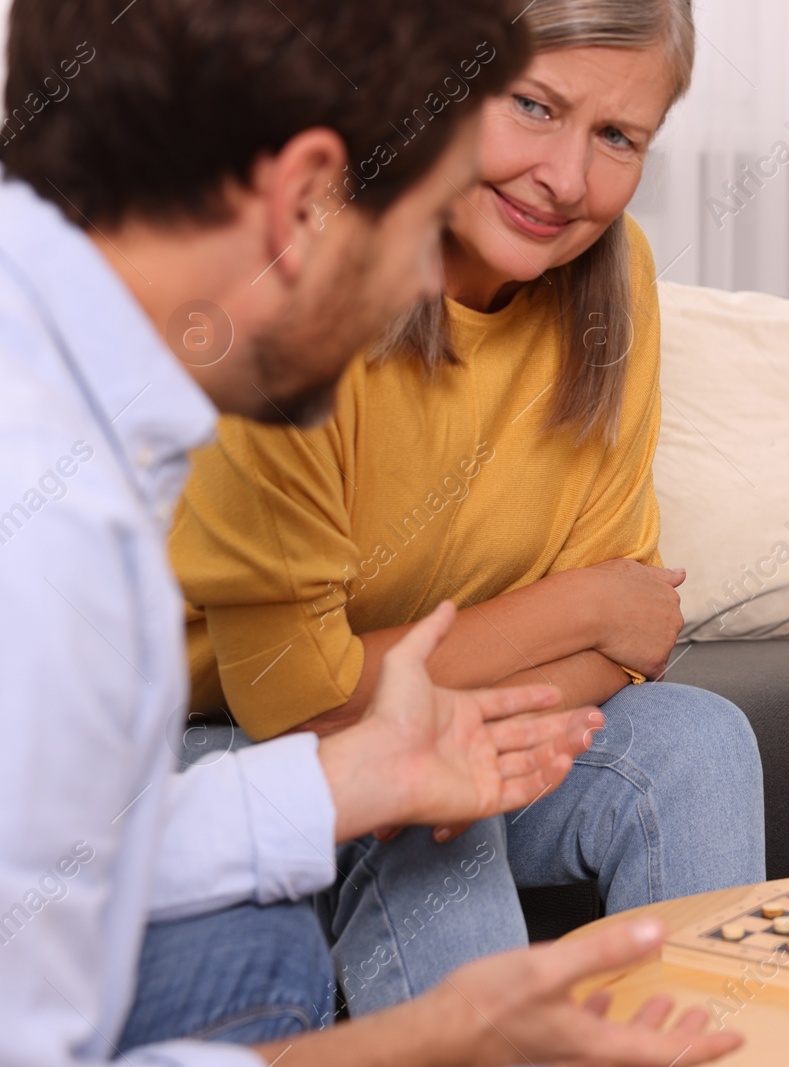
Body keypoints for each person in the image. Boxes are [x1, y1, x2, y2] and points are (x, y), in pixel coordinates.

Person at [0, 1, 740, 1064]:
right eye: (423, 220)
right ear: (306, 197)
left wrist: (356, 778)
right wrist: (436, 1041)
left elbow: (66, 867)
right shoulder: (51, 533)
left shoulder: (81, 401)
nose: (426, 283)